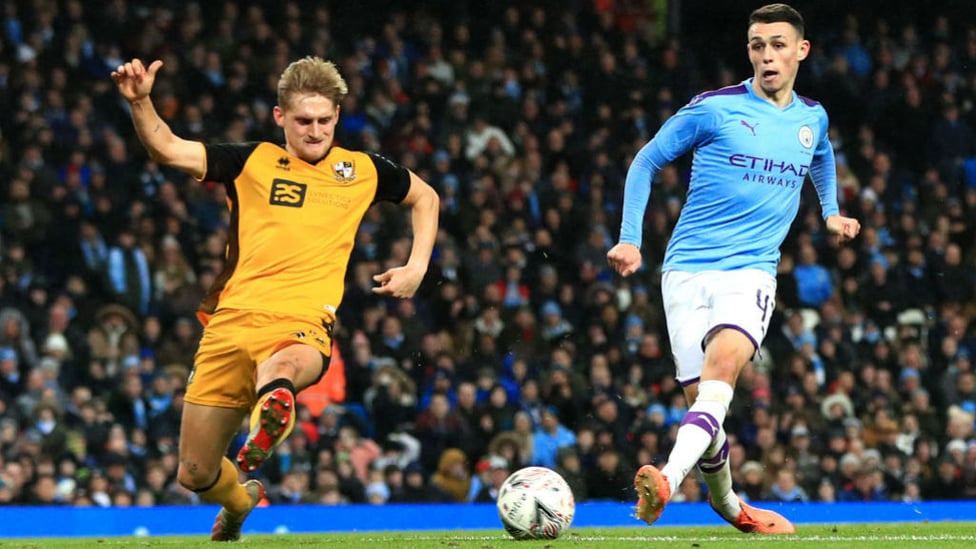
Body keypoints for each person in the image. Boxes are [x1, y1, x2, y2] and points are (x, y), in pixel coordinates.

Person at [112, 56, 438, 540]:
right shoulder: (251, 161)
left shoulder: (361, 170)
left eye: (325, 120)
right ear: (280, 117)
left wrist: (416, 267)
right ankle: (242, 500)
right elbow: (168, 148)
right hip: (229, 324)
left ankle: (272, 409)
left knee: (281, 372)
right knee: (195, 474)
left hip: (302, 322)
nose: (315, 130)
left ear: (336, 117)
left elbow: (425, 197)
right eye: (304, 120)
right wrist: (141, 102)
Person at [606, 4, 859, 534]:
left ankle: (668, 482)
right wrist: (630, 239)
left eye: (777, 44)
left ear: (800, 51)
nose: (767, 55)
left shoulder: (812, 116)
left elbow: (821, 155)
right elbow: (646, 161)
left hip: (751, 273)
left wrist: (830, 210)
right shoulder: (712, 109)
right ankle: (729, 507)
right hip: (685, 272)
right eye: (757, 45)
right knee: (705, 411)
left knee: (723, 372)